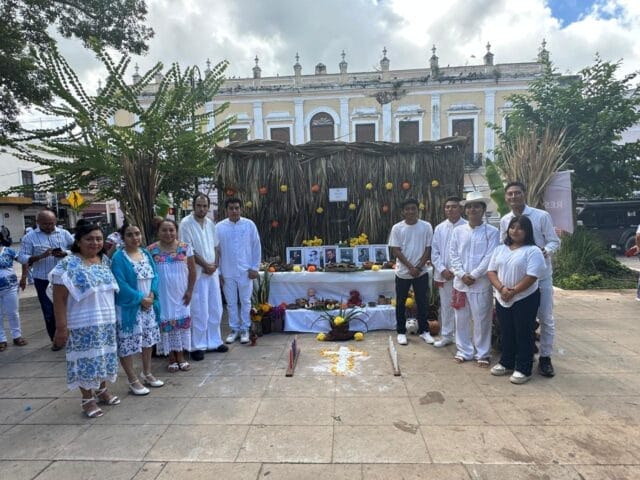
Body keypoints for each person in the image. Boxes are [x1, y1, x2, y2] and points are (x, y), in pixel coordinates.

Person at [50, 220, 120, 418]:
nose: (95, 243)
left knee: (103, 356)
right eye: (89, 239)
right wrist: (61, 327)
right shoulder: (67, 265)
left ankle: (102, 390)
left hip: (105, 320)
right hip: (81, 323)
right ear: (78, 241)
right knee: (85, 360)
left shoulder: (104, 261)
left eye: (99, 239)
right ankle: (87, 399)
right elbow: (59, 299)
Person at [500, 181, 560, 377]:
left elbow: (554, 241)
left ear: (524, 194)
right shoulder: (505, 220)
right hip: (515, 280)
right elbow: (503, 244)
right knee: (520, 321)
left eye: (517, 193)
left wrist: (545, 251)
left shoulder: (541, 216)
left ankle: (545, 358)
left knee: (545, 317)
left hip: (540, 277)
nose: (513, 197)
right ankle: (517, 357)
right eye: (510, 194)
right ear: (505, 197)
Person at [488, 216, 546, 384]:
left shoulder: (533, 251)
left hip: (524, 298)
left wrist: (513, 291)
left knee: (524, 332)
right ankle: (507, 362)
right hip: (502, 297)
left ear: (527, 231)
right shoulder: (500, 249)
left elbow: (532, 276)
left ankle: (523, 368)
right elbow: (491, 271)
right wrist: (502, 289)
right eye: (512, 227)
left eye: (520, 228)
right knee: (506, 330)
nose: (515, 231)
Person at [111, 225, 164, 395]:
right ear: (122, 238)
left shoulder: (145, 253)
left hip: (149, 305)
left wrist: (152, 294)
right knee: (127, 343)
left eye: (137, 234)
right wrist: (141, 298)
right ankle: (132, 379)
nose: (135, 238)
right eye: (129, 235)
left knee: (148, 341)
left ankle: (147, 372)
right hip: (130, 307)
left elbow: (155, 275)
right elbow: (120, 283)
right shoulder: (119, 258)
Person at [449, 191, 499, 366]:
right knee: (461, 319)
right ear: (465, 210)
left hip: (481, 283)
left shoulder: (492, 232)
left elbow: (490, 256)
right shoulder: (458, 231)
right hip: (460, 284)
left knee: (482, 319)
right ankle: (464, 351)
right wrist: (462, 274)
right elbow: (453, 254)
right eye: (469, 207)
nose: (472, 210)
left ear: (483, 209)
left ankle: (483, 353)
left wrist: (475, 274)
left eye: (476, 206)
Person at [179, 193, 227, 360]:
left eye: (205, 206)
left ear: (208, 207)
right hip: (197, 272)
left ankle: (215, 341)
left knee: (216, 307)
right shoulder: (185, 224)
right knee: (199, 309)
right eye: (199, 206)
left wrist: (214, 266)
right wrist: (205, 265)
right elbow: (188, 249)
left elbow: (216, 247)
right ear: (193, 206)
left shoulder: (210, 223)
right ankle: (197, 345)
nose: (202, 209)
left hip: (212, 272)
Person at [19, 209, 74, 350]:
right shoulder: (29, 237)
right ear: (37, 222)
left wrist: (65, 253)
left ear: (56, 221)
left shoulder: (64, 233)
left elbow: (76, 248)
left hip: (64, 278)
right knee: (49, 311)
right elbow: (22, 257)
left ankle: (70, 336)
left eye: (51, 223)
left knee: (69, 308)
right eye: (45, 224)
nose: (49, 226)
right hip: (43, 279)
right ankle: (56, 340)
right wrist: (40, 256)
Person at [151, 219, 196, 371]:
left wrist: (190, 291)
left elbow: (192, 272)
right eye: (164, 230)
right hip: (162, 295)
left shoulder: (185, 248)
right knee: (166, 324)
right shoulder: (151, 250)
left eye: (171, 230)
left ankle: (181, 357)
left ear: (176, 231)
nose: (168, 233)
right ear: (158, 232)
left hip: (181, 294)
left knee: (181, 324)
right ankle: (171, 358)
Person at [216, 197, 262, 345]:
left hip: (245, 271)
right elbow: (216, 251)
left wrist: (255, 267)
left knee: (245, 301)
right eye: (231, 208)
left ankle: (245, 329)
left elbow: (256, 246)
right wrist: (218, 272)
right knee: (230, 303)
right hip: (227, 271)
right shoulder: (219, 227)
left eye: (237, 208)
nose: (234, 211)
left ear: (241, 209)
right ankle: (234, 329)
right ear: (226, 210)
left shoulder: (249, 225)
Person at [388, 198, 433, 346]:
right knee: (400, 302)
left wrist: (418, 268)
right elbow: (396, 250)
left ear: (417, 210)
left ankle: (424, 331)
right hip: (403, 272)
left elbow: (428, 249)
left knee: (422, 302)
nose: (410, 211)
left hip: (421, 272)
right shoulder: (397, 228)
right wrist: (410, 267)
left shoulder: (426, 226)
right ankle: (401, 332)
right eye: (407, 209)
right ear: (403, 211)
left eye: (413, 208)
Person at [430, 196, 467, 348]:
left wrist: (457, 271)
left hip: (461, 275)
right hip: (444, 274)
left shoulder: (466, 226)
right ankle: (446, 336)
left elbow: (466, 253)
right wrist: (442, 269)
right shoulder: (439, 228)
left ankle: (461, 338)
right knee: (446, 306)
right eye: (447, 207)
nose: (450, 209)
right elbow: (435, 252)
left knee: (461, 307)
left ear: (461, 209)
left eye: (454, 206)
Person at [0, 242, 28, 351]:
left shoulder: (8, 251)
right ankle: (1, 339)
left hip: (10, 287)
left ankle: (17, 336)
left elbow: (24, 261)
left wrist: (24, 277)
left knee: (13, 313)